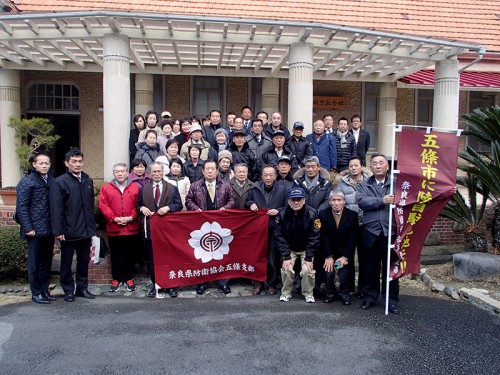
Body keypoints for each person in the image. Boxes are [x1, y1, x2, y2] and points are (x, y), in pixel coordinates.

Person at [355, 153, 400, 314]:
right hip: (370, 231)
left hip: (391, 232)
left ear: (387, 166)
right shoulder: (364, 184)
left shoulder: (396, 183)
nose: (378, 165)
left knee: (391, 268)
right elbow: (361, 201)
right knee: (370, 267)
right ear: (370, 167)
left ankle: (391, 300)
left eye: (382, 163)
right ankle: (369, 297)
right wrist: (382, 201)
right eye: (375, 163)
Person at [50, 148, 96, 302]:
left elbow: (89, 207)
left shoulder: (88, 180)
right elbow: (56, 208)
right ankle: (68, 290)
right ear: (67, 163)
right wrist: (58, 230)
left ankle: (82, 288)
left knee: (84, 262)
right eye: (74, 161)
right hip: (68, 230)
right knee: (66, 263)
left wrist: (92, 228)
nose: (78, 164)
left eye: (80, 161)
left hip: (85, 230)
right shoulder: (60, 182)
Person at [185, 160, 236, 295]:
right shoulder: (195, 185)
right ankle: (203, 282)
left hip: (221, 225)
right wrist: (195, 209)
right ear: (203, 171)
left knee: (222, 254)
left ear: (217, 171)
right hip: (202, 225)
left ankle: (223, 282)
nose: (210, 171)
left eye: (212, 169)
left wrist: (226, 208)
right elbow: (188, 200)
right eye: (207, 169)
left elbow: (232, 199)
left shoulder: (225, 185)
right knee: (203, 255)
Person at [137, 162, 183, 298]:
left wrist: (168, 208)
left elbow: (179, 205)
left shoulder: (172, 188)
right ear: (149, 173)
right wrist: (141, 209)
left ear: (163, 172)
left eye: (159, 171)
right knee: (153, 259)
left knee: (170, 258)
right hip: (151, 229)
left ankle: (172, 285)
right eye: (154, 172)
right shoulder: (143, 189)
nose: (156, 174)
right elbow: (137, 206)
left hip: (168, 230)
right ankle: (156, 284)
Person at [16, 153, 55, 304]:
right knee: (34, 263)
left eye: (47, 163)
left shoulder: (52, 181)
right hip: (34, 230)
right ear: (34, 164)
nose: (44, 166)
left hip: (48, 228)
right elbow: (22, 207)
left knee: (46, 262)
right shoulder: (27, 182)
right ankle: (36, 293)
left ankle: (45, 290)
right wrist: (28, 227)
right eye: (41, 163)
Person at [98, 163, 140, 293]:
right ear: (114, 173)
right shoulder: (106, 188)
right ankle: (116, 278)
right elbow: (103, 205)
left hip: (131, 227)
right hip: (114, 227)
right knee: (115, 255)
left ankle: (129, 278)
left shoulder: (135, 187)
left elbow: (139, 204)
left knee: (129, 255)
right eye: (117, 172)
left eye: (122, 171)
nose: (120, 174)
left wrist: (130, 217)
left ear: (127, 173)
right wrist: (114, 218)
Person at [246, 165, 287, 295]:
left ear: (275, 176)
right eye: (265, 175)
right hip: (258, 230)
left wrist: (278, 211)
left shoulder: (282, 189)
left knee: (272, 258)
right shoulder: (254, 188)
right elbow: (247, 201)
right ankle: (257, 283)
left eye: (271, 175)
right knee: (257, 257)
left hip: (274, 229)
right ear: (262, 176)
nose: (268, 178)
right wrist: (250, 204)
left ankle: (271, 283)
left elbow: (288, 206)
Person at [275, 187, 320, 303]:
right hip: (290, 248)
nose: (296, 202)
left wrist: (309, 257)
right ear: (288, 201)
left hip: (306, 248)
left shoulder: (313, 213)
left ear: (304, 200)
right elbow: (279, 237)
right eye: (293, 200)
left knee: (307, 269)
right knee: (287, 268)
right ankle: (286, 293)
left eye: (299, 199)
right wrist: (286, 256)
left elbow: (315, 237)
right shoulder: (281, 214)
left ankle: (308, 293)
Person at [335, 156, 372, 295]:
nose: (354, 168)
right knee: (347, 256)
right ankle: (348, 287)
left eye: (356, 165)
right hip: (348, 226)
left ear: (361, 166)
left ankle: (363, 288)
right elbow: (338, 202)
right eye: (351, 166)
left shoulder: (369, 182)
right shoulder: (342, 184)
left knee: (364, 258)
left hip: (365, 225)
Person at [319, 190, 359, 306]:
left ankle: (345, 293)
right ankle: (330, 293)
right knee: (328, 272)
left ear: (344, 201)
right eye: (334, 200)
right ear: (330, 202)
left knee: (344, 273)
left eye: (339, 200)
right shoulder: (322, 214)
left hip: (344, 253)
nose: (336, 203)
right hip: (329, 252)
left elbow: (353, 238)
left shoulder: (352, 215)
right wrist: (327, 256)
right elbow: (323, 237)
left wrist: (345, 257)